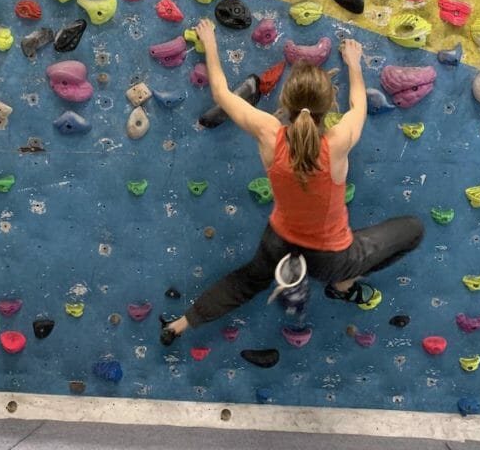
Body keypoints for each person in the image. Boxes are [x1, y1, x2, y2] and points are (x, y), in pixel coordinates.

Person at [162, 19, 424, 345]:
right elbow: (359, 104)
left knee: (247, 280)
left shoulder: (269, 134)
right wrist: (354, 63)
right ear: (327, 107)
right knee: (413, 229)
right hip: (331, 259)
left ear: (285, 103)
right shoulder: (338, 141)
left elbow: (221, 92)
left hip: (279, 243)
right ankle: (344, 285)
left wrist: (210, 41)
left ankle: (180, 324)